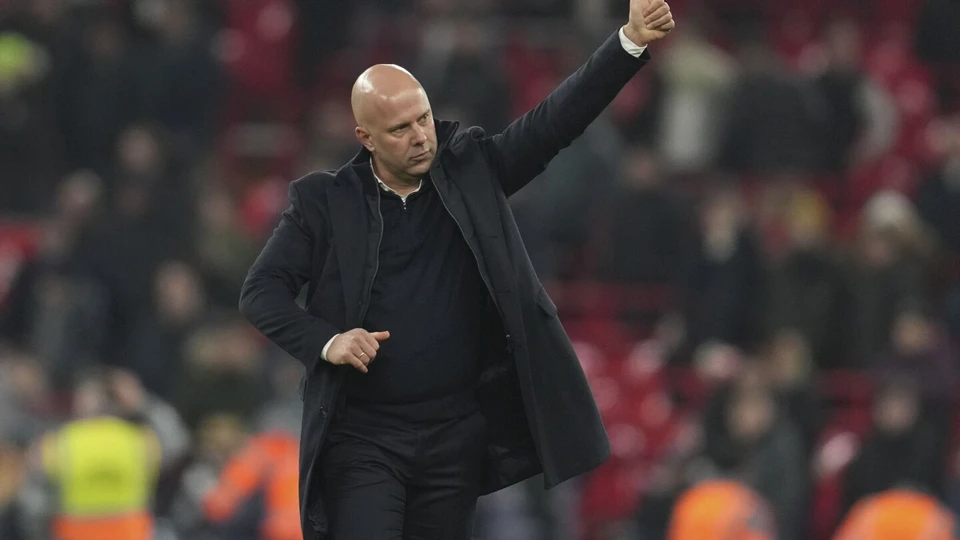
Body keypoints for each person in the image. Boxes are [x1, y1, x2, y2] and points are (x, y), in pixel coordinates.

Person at [238, 1, 676, 538]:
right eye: (400, 129)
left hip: (453, 437)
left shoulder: (471, 169)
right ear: (366, 138)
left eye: (423, 118)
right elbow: (261, 291)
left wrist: (628, 42)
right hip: (363, 436)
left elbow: (554, 122)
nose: (421, 136)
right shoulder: (323, 204)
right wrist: (328, 342)